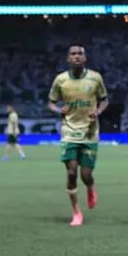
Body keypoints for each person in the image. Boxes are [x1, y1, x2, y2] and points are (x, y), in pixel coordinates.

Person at [47, 43, 109, 226]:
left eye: (79, 54)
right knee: (72, 172)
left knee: (86, 175)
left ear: (85, 58)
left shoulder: (95, 78)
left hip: (90, 132)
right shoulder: (60, 80)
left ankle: (90, 186)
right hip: (69, 132)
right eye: (73, 54)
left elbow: (104, 100)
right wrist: (58, 110)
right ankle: (76, 213)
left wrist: (98, 110)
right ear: (68, 58)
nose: (76, 57)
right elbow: (50, 102)